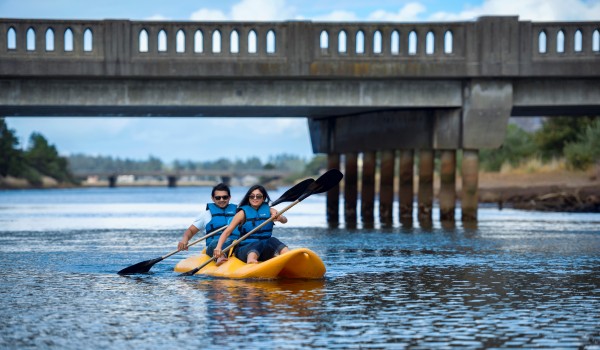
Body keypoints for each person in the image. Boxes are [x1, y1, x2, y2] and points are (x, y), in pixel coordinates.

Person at [213, 185, 289, 264]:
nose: (255, 198)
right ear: (248, 198)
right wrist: (218, 247)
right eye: (252, 196)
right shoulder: (242, 213)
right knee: (257, 243)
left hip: (264, 251)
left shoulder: (270, 210)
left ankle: (288, 256)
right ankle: (251, 261)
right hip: (245, 250)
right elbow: (227, 232)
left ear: (263, 198)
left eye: (258, 196)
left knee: (272, 240)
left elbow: (285, 220)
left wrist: (280, 218)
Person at [177, 183, 238, 262]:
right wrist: (185, 239)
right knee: (216, 242)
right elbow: (191, 230)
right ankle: (220, 257)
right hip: (214, 247)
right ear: (213, 198)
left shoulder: (239, 213)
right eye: (218, 198)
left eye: (225, 197)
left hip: (235, 244)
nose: (222, 200)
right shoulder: (206, 214)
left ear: (229, 198)